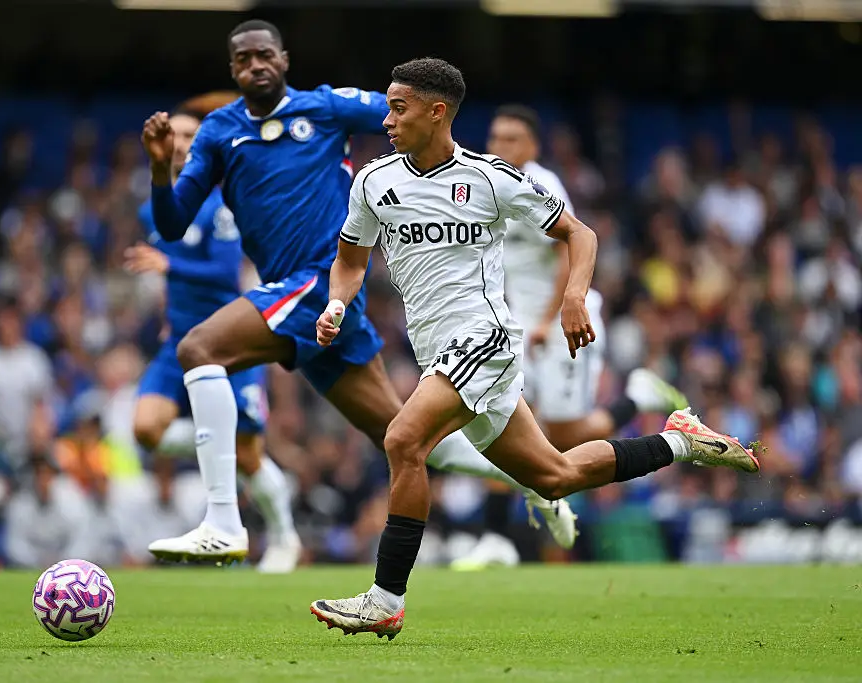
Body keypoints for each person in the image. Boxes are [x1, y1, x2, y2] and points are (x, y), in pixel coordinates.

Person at [309, 57, 760, 640]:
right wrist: (337, 304)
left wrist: (574, 297)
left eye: (399, 107)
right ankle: (680, 440)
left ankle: (385, 599)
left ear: (437, 111)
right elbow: (350, 260)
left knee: (403, 439)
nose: (387, 119)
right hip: (437, 352)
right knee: (554, 475)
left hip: (484, 341)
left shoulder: (491, 178)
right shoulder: (374, 181)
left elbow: (580, 232)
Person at [141, 20, 577, 563]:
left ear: (284, 58)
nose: (255, 65)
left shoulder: (325, 108)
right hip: (305, 300)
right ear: (232, 69)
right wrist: (162, 170)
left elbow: (414, 115)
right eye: (243, 59)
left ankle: (224, 522)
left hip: (321, 282)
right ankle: (533, 483)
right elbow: (173, 222)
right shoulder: (217, 133)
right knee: (407, 439)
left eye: (264, 55)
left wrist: (465, 172)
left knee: (197, 349)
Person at [451, 106, 690, 571]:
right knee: (496, 418)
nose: (502, 147)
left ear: (534, 147)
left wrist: (544, 320)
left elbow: (569, 248)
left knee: (559, 436)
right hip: (518, 330)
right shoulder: (485, 183)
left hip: (563, 322)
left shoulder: (543, 186)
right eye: (497, 137)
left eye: (513, 139)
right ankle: (498, 537)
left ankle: (635, 399)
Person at [126, 100, 301, 573]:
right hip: (178, 340)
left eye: (190, 137)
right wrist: (168, 302)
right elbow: (173, 276)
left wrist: (170, 265)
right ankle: (217, 442)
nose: (181, 144)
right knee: (145, 430)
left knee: (249, 457)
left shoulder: (220, 206)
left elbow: (225, 275)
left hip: (228, 345)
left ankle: (284, 536)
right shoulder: (154, 208)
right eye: (175, 136)